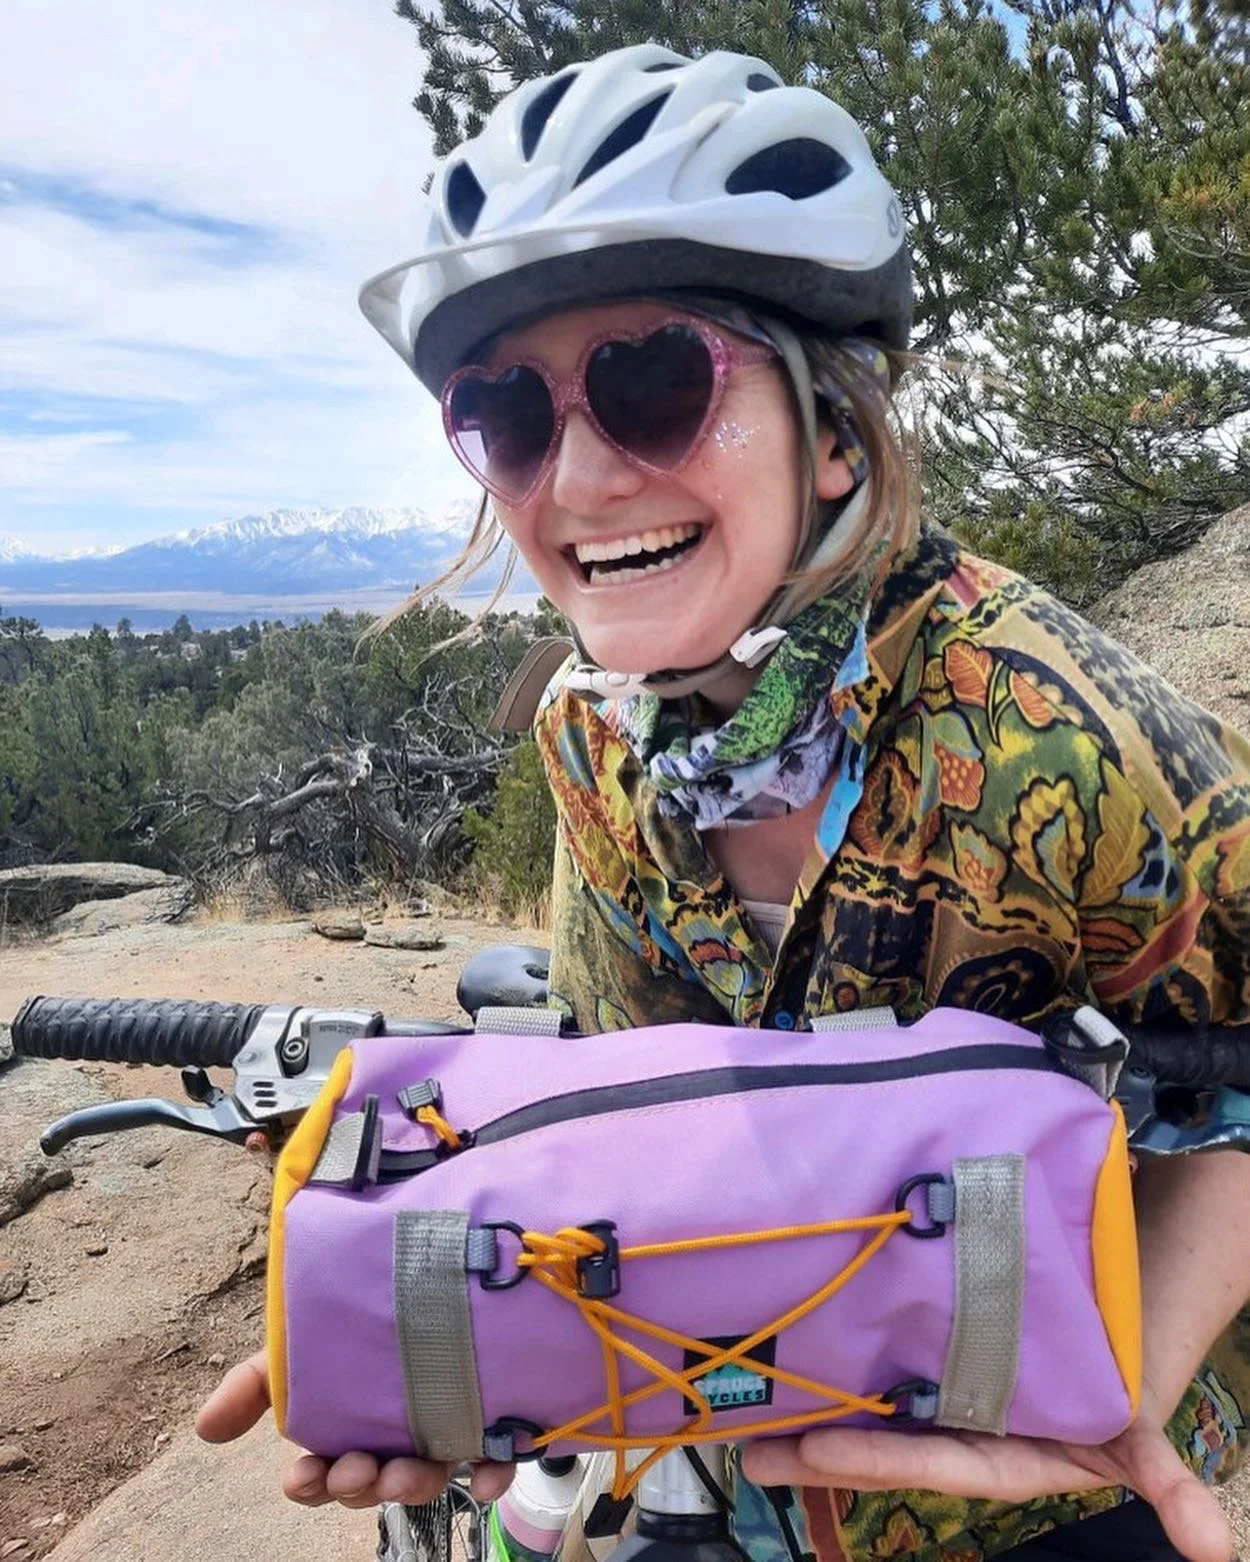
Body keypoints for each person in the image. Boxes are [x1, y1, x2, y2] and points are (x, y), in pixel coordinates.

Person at [196, 44, 1250, 1562]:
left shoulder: (1073, 739)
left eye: (652, 381)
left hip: (1058, 1491)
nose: (576, 476)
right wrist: (461, 1339)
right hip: (728, 1457)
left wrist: (1127, 1383)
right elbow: (630, 1101)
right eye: (507, 413)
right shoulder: (591, 740)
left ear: (835, 427)